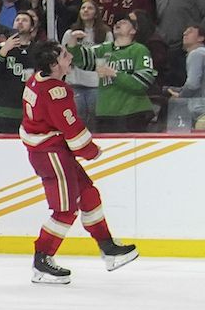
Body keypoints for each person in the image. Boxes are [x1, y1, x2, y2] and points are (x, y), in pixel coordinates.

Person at [20, 41, 138, 284]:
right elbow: (72, 128)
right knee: (66, 209)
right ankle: (42, 260)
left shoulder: (35, 80)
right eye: (64, 55)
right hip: (51, 153)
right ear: (53, 65)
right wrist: (91, 151)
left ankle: (107, 246)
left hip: (51, 150)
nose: (69, 57)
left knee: (88, 194)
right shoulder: (56, 92)